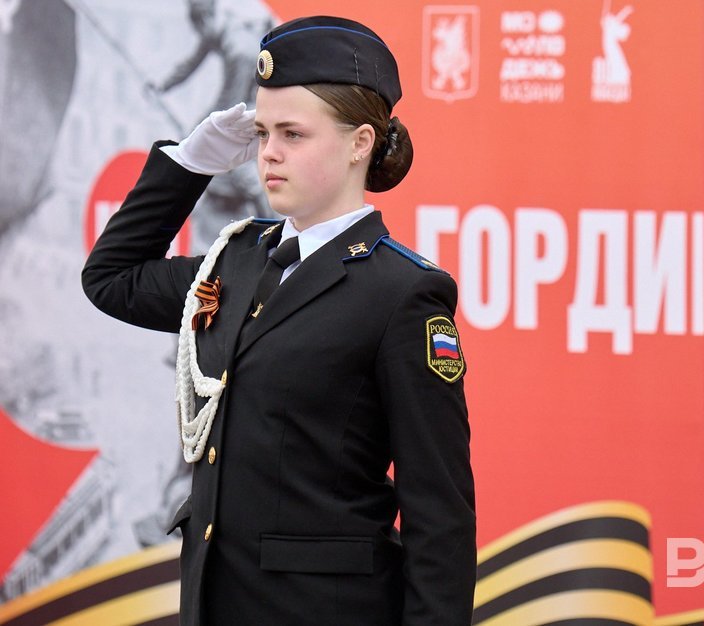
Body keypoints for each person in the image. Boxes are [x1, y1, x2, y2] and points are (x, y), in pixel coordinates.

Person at [83, 15, 476, 625]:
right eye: (263, 132)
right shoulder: (235, 260)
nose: (269, 152)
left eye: (293, 133)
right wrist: (189, 164)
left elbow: (439, 515)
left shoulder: (402, 293)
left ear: (360, 143)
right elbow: (111, 278)